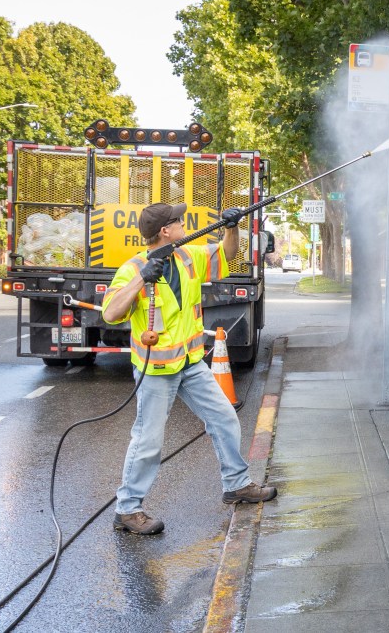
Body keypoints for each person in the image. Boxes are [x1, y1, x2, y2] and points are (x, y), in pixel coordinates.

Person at [102, 202, 277, 535]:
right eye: (179, 221)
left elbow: (226, 254)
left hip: (190, 364)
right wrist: (141, 279)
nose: (185, 224)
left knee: (224, 418)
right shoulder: (133, 267)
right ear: (165, 231)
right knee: (148, 441)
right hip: (155, 371)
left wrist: (232, 226)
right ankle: (127, 510)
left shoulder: (187, 256)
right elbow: (111, 314)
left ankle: (237, 485)